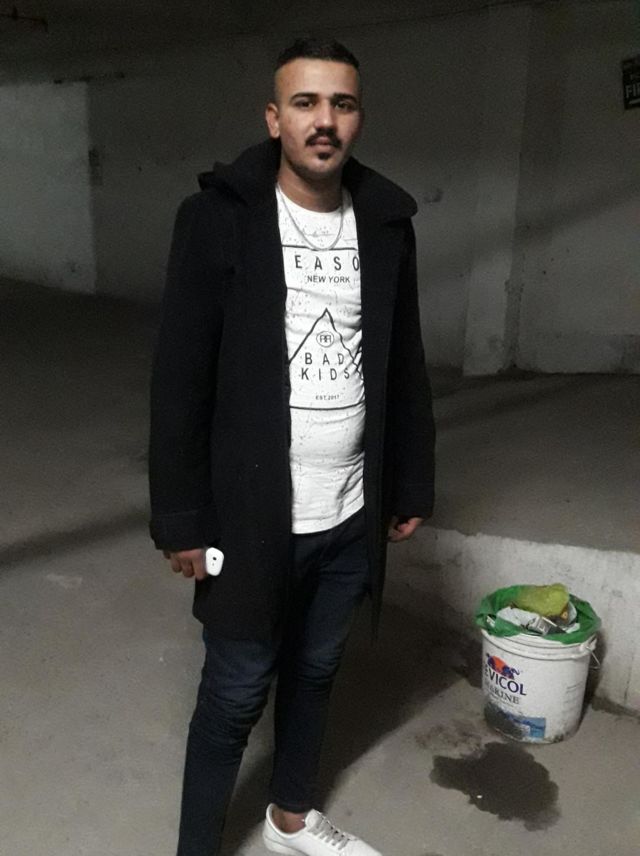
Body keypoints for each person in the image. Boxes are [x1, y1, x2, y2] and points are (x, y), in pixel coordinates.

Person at [149, 37, 435, 856]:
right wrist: (180, 518)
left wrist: (409, 480)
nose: (324, 120)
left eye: (342, 104)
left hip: (348, 508)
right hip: (251, 515)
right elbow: (179, 377)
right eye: (306, 103)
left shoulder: (385, 224)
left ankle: (290, 819)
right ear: (275, 119)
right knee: (236, 692)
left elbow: (403, 361)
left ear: (359, 119)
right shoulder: (218, 221)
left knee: (315, 670)